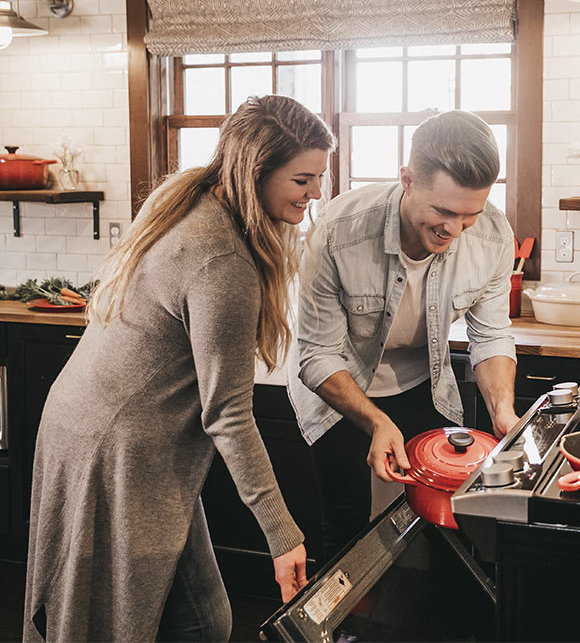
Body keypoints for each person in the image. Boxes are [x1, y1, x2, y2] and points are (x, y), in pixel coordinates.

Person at [23, 95, 337, 642]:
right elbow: (230, 415)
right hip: (119, 449)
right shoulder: (223, 260)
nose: (315, 195)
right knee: (164, 622)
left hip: (87, 425)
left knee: (200, 617)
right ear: (254, 170)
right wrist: (284, 535)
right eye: (303, 180)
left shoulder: (187, 197)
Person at [288, 109, 518, 558]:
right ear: (408, 179)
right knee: (348, 527)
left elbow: (490, 335)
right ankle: (348, 627)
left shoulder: (492, 234)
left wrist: (503, 409)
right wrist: (376, 421)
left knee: (449, 525)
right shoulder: (338, 231)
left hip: (425, 385)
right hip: (341, 389)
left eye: (468, 215)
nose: (454, 230)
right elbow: (317, 354)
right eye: (443, 211)